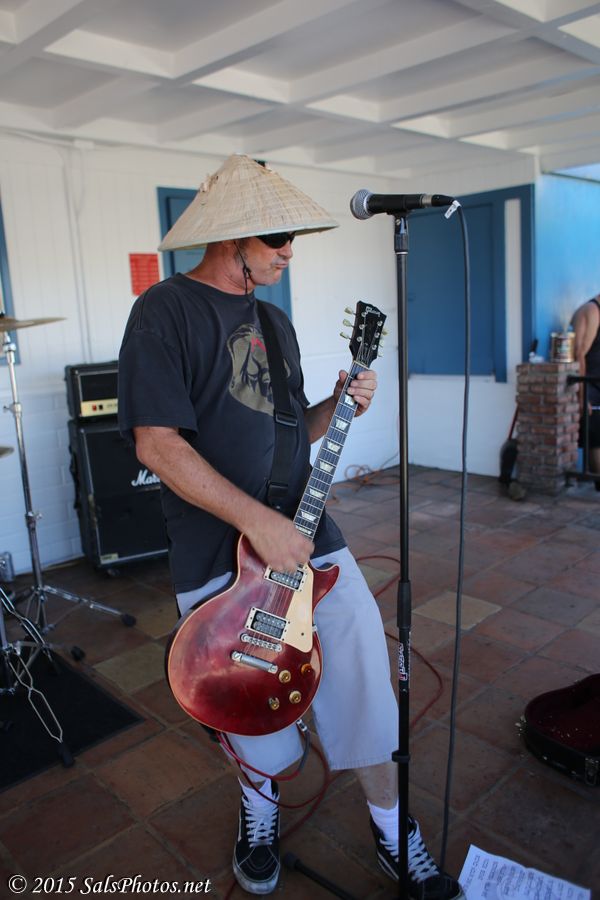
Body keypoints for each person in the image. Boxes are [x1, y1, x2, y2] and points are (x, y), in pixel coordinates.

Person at [118, 154, 465, 899]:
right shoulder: (164, 311)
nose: (289, 252)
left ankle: (391, 829)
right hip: (218, 552)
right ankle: (260, 813)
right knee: (247, 700)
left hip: (308, 536)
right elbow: (157, 444)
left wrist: (339, 407)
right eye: (277, 237)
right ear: (233, 236)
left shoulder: (274, 323)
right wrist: (258, 526)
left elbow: (288, 434)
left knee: (366, 677)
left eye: (293, 238)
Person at [571, 295, 600, 489]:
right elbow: (578, 354)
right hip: (589, 387)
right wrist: (582, 397)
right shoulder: (591, 311)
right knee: (596, 439)